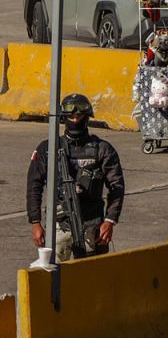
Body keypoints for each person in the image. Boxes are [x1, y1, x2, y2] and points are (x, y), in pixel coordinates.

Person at [26, 94, 125, 261]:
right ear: (64, 118)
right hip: (58, 226)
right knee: (53, 276)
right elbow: (33, 186)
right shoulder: (49, 148)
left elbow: (117, 186)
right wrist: (35, 222)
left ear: (87, 117)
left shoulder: (102, 149)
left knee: (92, 277)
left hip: (93, 227)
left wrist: (110, 220)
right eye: (71, 116)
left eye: (79, 115)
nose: (75, 119)